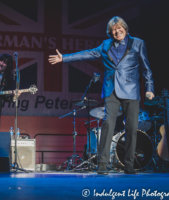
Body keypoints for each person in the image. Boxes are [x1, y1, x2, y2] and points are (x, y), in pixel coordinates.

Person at [49, 16, 154, 175]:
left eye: (120, 28)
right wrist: (64, 58)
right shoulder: (106, 45)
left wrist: (149, 88)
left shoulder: (138, 43)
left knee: (131, 127)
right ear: (110, 33)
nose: (117, 31)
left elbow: (146, 68)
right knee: (107, 125)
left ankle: (129, 165)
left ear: (125, 28)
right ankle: (102, 164)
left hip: (131, 90)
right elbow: (87, 54)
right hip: (111, 89)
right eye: (114, 30)